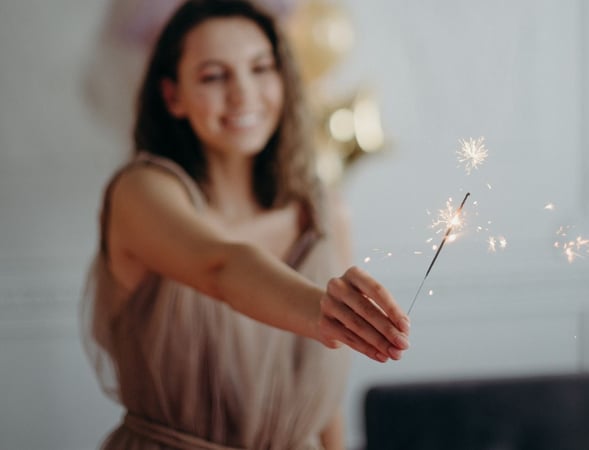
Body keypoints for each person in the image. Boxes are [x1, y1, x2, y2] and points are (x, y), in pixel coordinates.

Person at [81, 1, 411, 448]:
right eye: (214, 76)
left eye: (261, 68)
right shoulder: (141, 193)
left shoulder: (325, 213)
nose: (244, 94)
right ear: (172, 95)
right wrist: (323, 309)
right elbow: (222, 265)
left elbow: (321, 395)